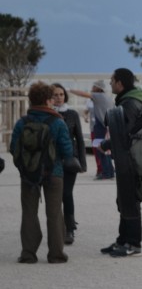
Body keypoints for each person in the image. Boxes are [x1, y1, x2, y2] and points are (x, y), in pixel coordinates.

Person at [10, 81, 75, 264]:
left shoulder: (22, 122)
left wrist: (24, 167)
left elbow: (13, 147)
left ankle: (28, 253)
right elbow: (67, 151)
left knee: (29, 212)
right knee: (54, 214)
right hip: (54, 173)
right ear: (48, 100)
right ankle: (56, 254)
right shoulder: (57, 122)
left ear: (31, 100)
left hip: (29, 175)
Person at [100, 68, 142, 257]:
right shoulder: (133, 100)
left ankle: (133, 243)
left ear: (120, 83)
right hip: (128, 158)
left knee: (130, 200)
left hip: (130, 159)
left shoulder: (129, 103)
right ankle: (123, 240)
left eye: (112, 80)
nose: (110, 83)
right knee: (124, 199)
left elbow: (127, 134)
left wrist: (106, 144)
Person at [51, 83, 88, 245]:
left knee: (66, 194)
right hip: (52, 161)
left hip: (69, 160)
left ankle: (70, 228)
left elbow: (79, 139)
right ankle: (57, 228)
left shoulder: (72, 114)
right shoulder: (48, 114)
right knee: (54, 196)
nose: (58, 97)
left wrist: (83, 163)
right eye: (55, 95)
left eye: (61, 94)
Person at [70, 80, 115, 179]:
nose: (92, 88)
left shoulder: (98, 96)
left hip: (101, 127)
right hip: (106, 126)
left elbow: (83, 94)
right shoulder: (107, 97)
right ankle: (110, 172)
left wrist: (70, 90)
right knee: (105, 150)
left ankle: (105, 173)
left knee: (101, 150)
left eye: (94, 86)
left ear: (98, 88)